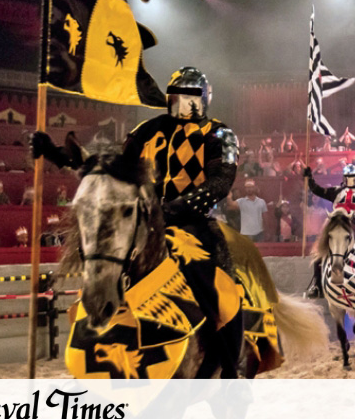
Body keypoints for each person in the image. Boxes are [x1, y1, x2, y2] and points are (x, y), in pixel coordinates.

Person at [33, 66, 245, 378]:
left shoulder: (220, 135)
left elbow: (220, 183)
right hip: (144, 221)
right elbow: (113, 170)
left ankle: (230, 368)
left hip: (195, 224)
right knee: (107, 260)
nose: (184, 102)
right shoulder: (148, 130)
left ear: (203, 99)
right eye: (178, 95)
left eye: (191, 96)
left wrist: (174, 208)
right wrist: (56, 155)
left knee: (220, 290)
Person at [303, 163, 355, 300]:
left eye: (352, 176)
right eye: (347, 176)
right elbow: (317, 190)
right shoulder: (336, 191)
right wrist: (309, 177)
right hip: (336, 228)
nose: (350, 179)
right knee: (319, 252)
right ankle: (317, 286)